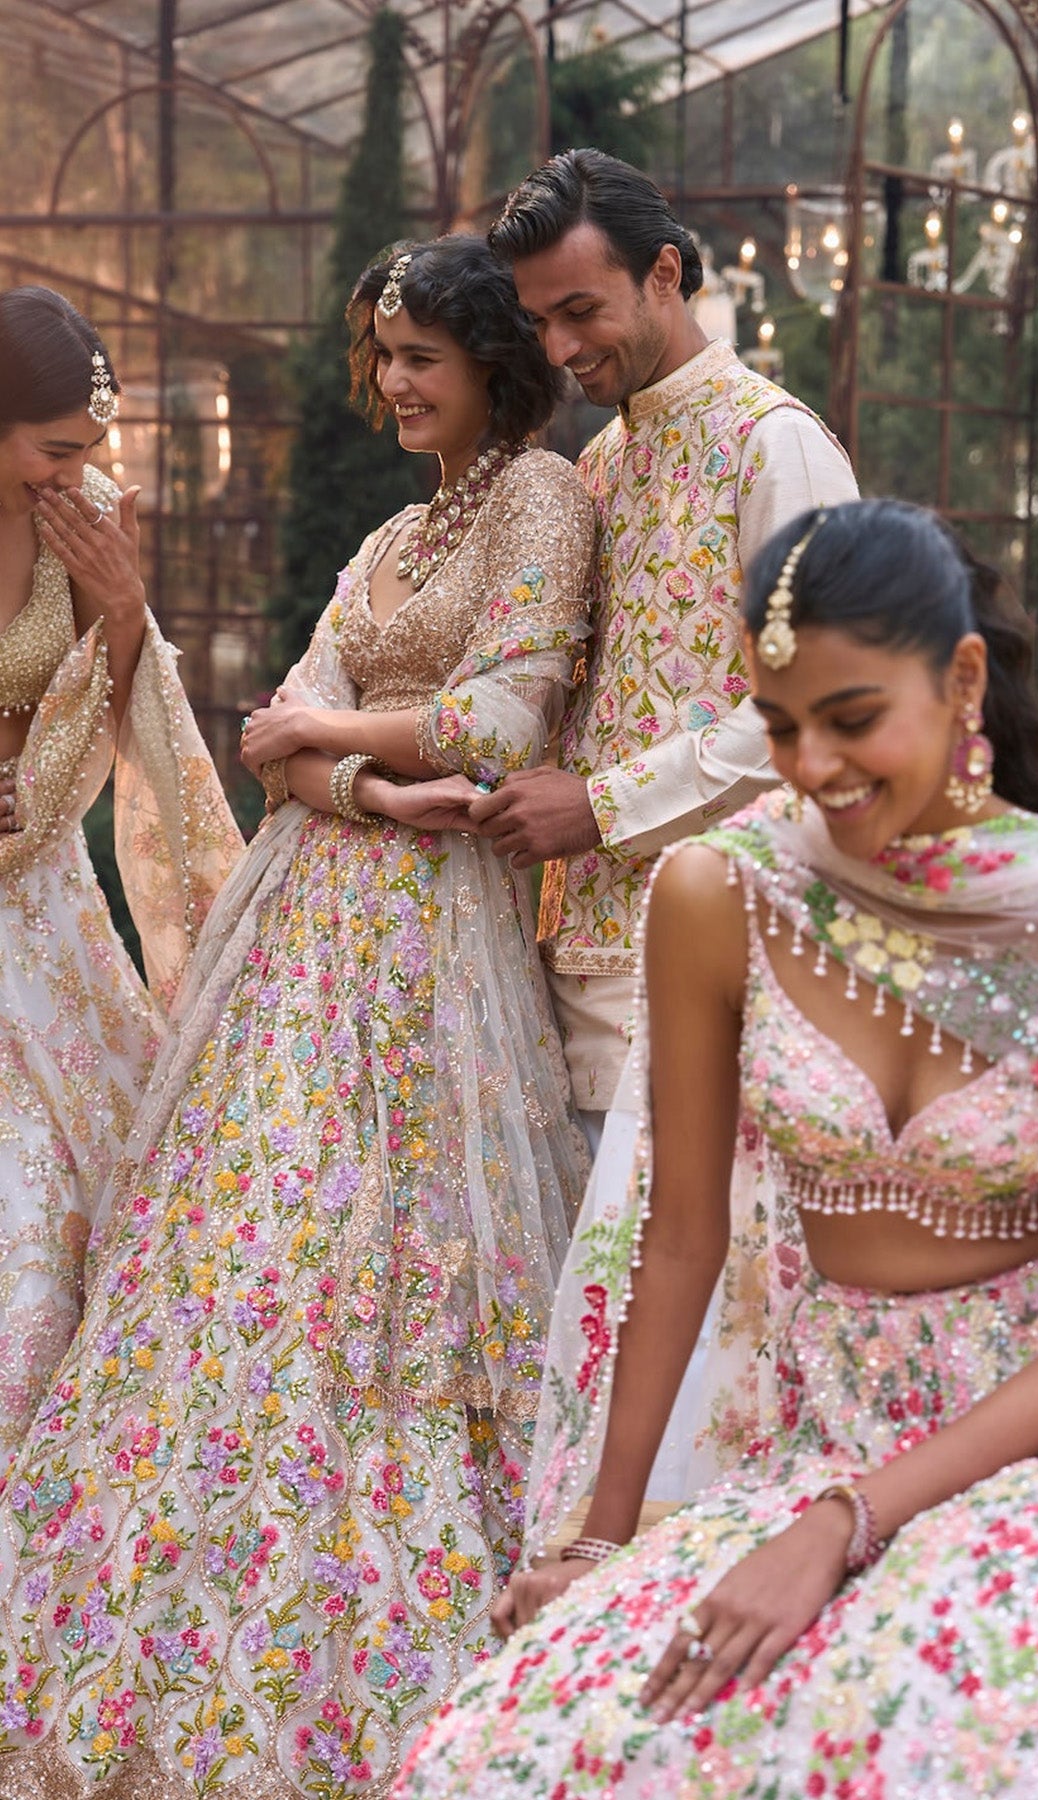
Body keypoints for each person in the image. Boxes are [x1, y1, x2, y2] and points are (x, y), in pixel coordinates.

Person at [396, 498, 1038, 1800]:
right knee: (542, 1743)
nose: (813, 767)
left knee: (1002, 1729)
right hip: (819, 1442)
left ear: (965, 681)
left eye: (854, 718)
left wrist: (853, 1524)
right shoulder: (723, 896)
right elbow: (682, 1238)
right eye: (780, 727)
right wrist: (598, 1548)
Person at [0, 236, 592, 1792]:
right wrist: (374, 777)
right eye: (382, 356)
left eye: (421, 357)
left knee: (404, 1274)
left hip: (431, 959)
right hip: (307, 934)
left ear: (491, 363)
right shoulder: (398, 533)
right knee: (250, 1259)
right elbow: (275, 738)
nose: (393, 383)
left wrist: (342, 744)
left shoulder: (543, 498)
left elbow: (503, 717)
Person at [471, 148, 860, 1139]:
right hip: (571, 984)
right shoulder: (598, 462)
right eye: (539, 321)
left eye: (581, 312)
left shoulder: (778, 448)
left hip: (723, 982)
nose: (557, 349)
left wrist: (599, 807)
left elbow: (819, 718)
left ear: (665, 274)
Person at [0, 285, 240, 1466]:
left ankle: (71, 1529)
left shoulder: (81, 515)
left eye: (94, 446)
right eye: (55, 447)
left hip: (46, 912)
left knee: (95, 1206)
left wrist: (125, 605)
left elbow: (117, 679)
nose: (82, 470)